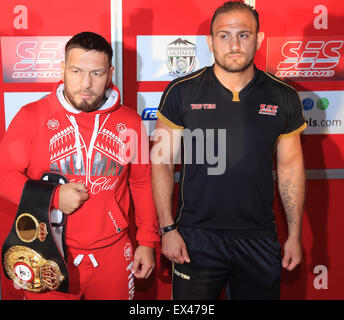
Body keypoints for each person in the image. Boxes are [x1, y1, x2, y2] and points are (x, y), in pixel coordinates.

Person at [151, 1, 306, 300]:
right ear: (210, 42)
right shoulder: (181, 92)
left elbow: (290, 168)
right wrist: (167, 228)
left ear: (259, 39)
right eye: (224, 35)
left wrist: (295, 235)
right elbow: (162, 163)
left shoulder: (283, 96)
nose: (234, 45)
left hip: (259, 238)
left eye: (244, 35)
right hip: (196, 239)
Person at [0, 31, 159, 300]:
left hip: (112, 254)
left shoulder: (130, 121)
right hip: (48, 252)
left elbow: (142, 182)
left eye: (96, 73)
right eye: (76, 71)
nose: (85, 83)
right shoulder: (31, 116)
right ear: (62, 69)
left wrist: (147, 241)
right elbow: (3, 175)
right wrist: (53, 196)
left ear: (110, 73)